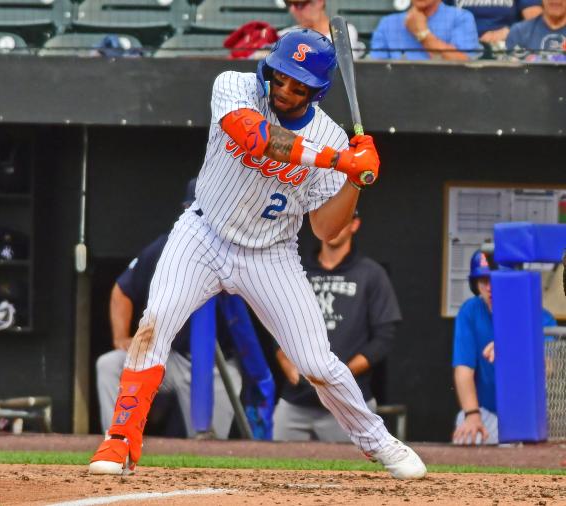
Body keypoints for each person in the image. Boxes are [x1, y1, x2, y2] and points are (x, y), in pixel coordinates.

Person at [90, 28, 426, 480]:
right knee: (156, 322)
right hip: (203, 231)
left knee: (316, 363)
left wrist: (356, 180)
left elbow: (326, 228)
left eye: (299, 85)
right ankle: (120, 439)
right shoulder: (235, 86)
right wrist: (340, 160)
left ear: (317, 90)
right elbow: (255, 138)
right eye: (281, 77)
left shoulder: (330, 136)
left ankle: (380, 443)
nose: (286, 90)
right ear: (269, 68)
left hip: (271, 252)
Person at [95, 178, 264, 440]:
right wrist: (120, 337)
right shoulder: (166, 247)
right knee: (109, 365)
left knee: (211, 446)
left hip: (217, 365)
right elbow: (122, 290)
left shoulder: (240, 249)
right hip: (170, 356)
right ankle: (117, 440)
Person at [273, 210, 402, 442]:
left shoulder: (371, 273)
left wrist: (340, 375)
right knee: (273, 470)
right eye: (326, 219)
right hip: (296, 400)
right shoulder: (296, 269)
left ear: (355, 224)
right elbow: (276, 321)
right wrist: (286, 362)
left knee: (353, 474)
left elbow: (384, 337)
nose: (332, 226)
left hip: (348, 401)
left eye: (340, 220)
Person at [452, 250, 557, 445]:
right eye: (483, 280)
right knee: (467, 432)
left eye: (497, 280)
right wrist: (472, 413)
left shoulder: (539, 315)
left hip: (531, 417)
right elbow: (463, 370)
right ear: (475, 284)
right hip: (489, 412)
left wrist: (514, 347)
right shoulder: (471, 311)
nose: (490, 287)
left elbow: (549, 369)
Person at [369, 0, 482, 60]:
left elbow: (465, 65)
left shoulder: (461, 18)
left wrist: (423, 35)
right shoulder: (388, 23)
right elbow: (375, 69)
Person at [278, 0, 365, 59]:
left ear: (319, 1)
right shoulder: (286, 34)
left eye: (300, 4)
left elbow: (344, 69)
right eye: (289, 4)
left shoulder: (343, 31)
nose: (293, 10)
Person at [444, 0, 542, 46]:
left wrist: (511, 32)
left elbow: (537, 21)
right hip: (459, 46)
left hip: (504, 47)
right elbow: (437, 15)